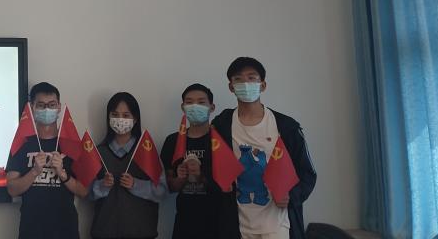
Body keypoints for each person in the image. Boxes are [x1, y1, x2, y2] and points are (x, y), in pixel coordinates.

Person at [212, 57, 317, 239]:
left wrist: (292, 196)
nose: (245, 83)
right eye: (238, 79)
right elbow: (215, 167)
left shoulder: (286, 126)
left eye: (252, 77)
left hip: (278, 225)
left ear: (263, 85)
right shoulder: (222, 125)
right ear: (231, 87)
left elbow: (308, 173)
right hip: (237, 224)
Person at [6, 82, 88, 239]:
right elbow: (12, 189)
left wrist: (63, 175)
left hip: (66, 231)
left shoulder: (71, 143)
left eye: (52, 105)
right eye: (41, 105)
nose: (47, 110)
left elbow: (84, 191)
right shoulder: (21, 143)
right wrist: (34, 171)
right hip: (31, 231)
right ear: (32, 107)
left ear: (59, 107)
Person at [89, 92, 165, 239]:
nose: (120, 120)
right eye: (115, 114)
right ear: (108, 117)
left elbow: (162, 191)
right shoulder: (98, 152)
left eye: (126, 115)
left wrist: (136, 185)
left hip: (141, 232)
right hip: (104, 232)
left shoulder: (147, 151)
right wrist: (102, 185)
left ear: (135, 119)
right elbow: (85, 192)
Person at [160, 83, 224, 239]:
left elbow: (229, 185)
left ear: (212, 107)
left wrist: (201, 175)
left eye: (201, 102)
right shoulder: (173, 141)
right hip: (184, 222)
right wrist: (179, 179)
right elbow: (168, 187)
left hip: (219, 223)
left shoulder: (222, 140)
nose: (195, 107)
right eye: (189, 102)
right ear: (183, 107)